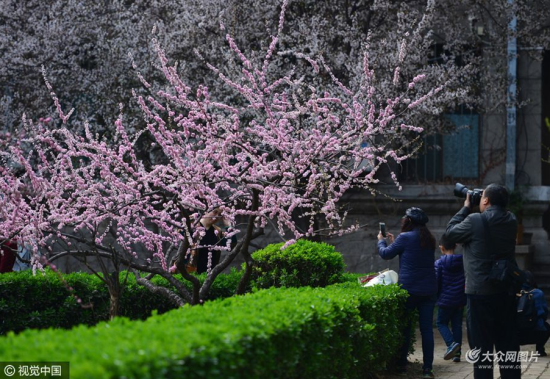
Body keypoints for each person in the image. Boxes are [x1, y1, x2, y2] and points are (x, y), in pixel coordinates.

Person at [444, 184, 520, 379]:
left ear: (485, 200)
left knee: (482, 351)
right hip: (506, 291)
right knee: (508, 348)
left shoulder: (474, 220)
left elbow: (448, 235)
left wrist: (466, 206)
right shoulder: (511, 220)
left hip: (480, 294)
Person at [378, 207, 437, 379]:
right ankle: (427, 370)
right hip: (428, 290)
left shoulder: (405, 237)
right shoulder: (429, 238)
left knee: (405, 328)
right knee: (427, 330)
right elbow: (414, 254)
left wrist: (381, 240)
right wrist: (396, 242)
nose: (403, 219)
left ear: (409, 221)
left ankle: (401, 365)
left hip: (410, 290)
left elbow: (385, 254)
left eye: (405, 217)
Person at [435, 235, 466, 363]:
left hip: (444, 300)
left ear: (441, 248)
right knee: (457, 325)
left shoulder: (439, 263)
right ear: (456, 246)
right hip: (459, 299)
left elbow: (436, 282)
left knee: (441, 323)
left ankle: (451, 344)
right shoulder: (463, 261)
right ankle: (457, 354)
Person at [518, 271, 550, 357]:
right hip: (535, 331)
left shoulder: (514, 292)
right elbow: (543, 313)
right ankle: (540, 350)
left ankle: (514, 349)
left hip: (516, 333)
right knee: (546, 327)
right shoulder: (538, 293)